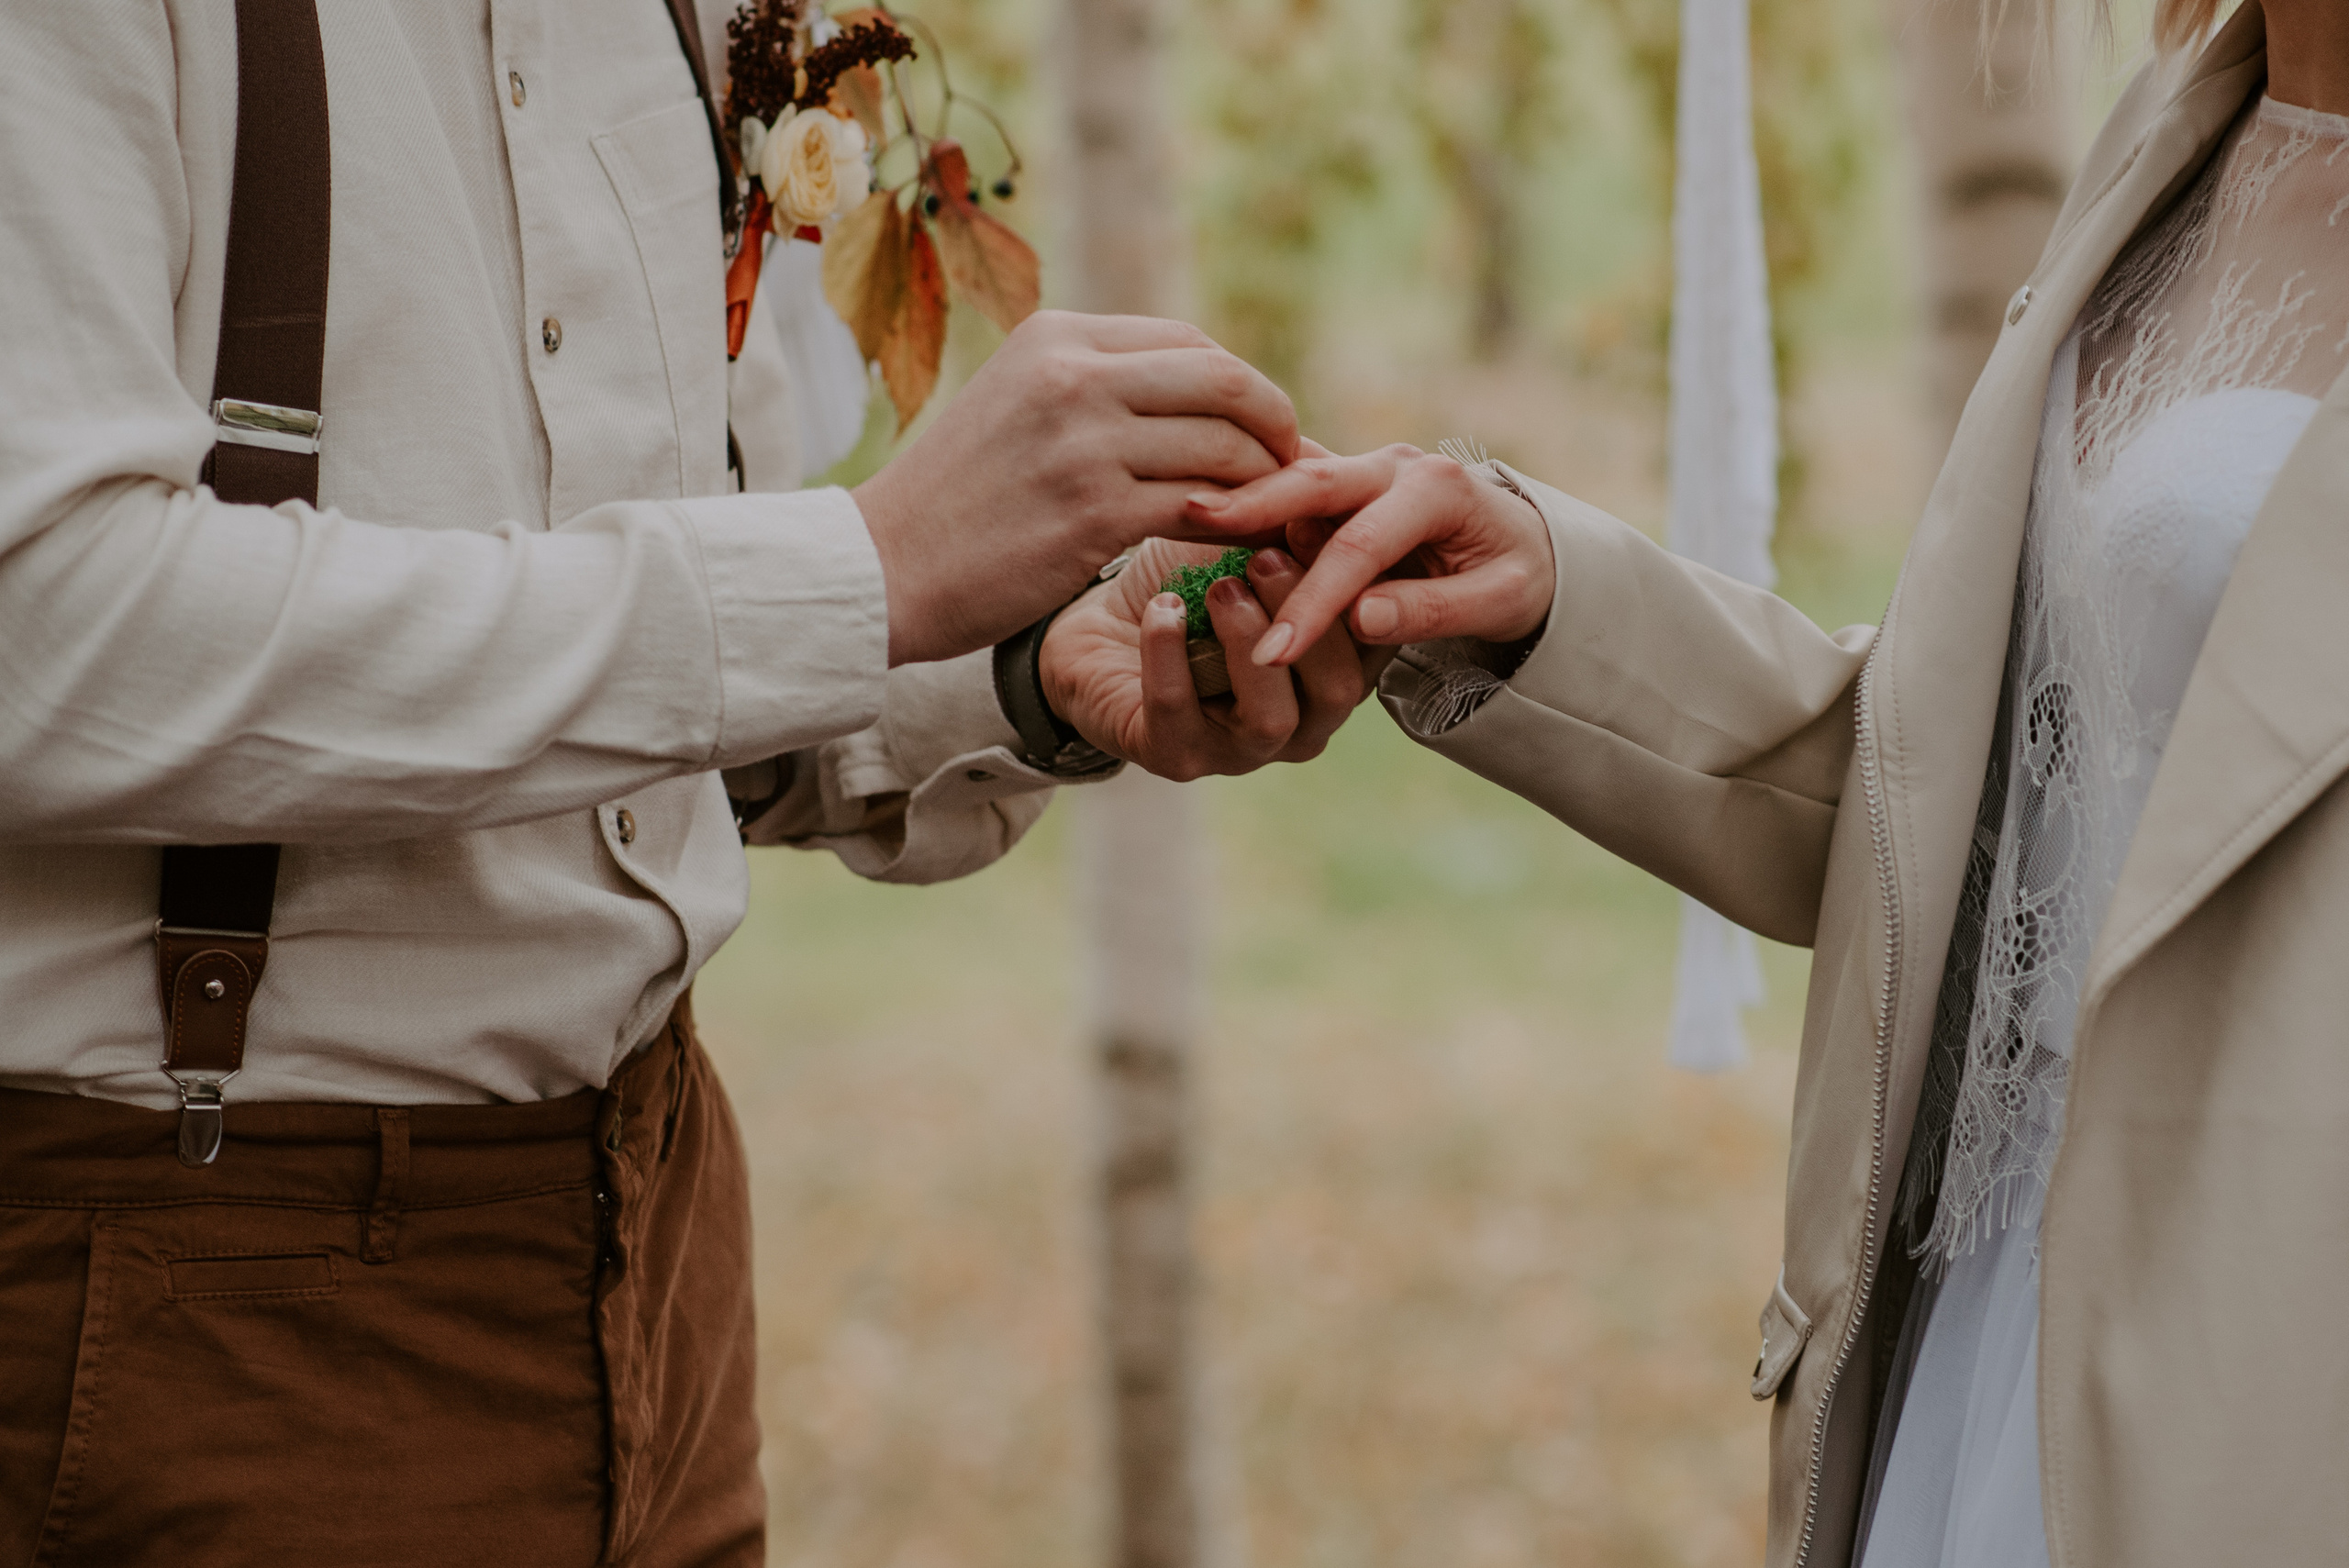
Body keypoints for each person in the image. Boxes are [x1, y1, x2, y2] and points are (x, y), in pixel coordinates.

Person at [0, 4, 1375, 1562]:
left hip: (663, 1243)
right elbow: (46, 629)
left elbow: (644, 684)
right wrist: (864, 568)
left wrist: (1020, 670)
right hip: (207, 1289)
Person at [1191, 2, 2349, 1564]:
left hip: (2267, 1383)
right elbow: (2002, 812)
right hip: (1989, 1339)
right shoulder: (2175, 137)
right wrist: (1550, 601)